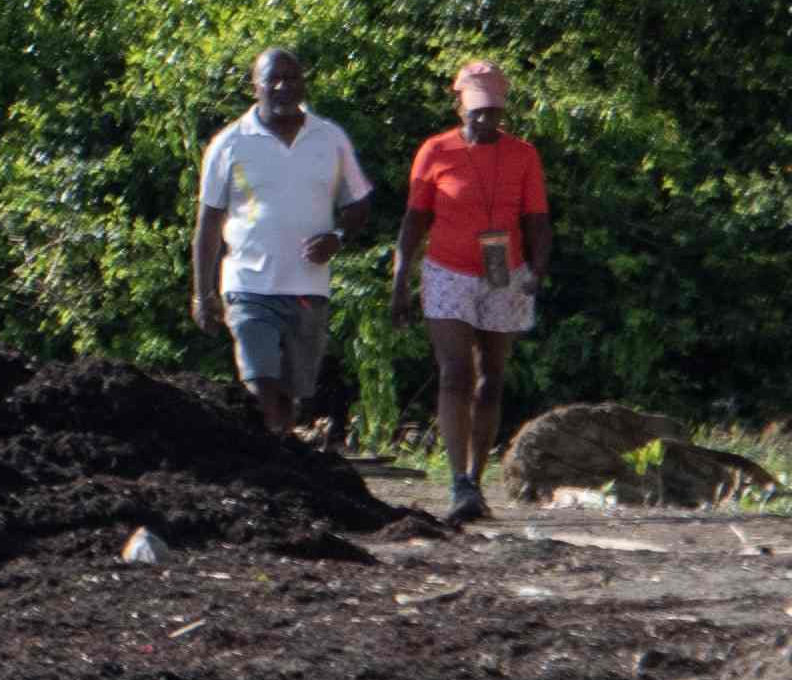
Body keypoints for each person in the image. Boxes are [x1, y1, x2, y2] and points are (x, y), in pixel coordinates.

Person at [187, 47, 371, 441]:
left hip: (308, 286)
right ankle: (271, 449)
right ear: (256, 86)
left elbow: (358, 203)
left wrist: (336, 238)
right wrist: (202, 295)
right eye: (273, 79)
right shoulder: (230, 143)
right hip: (248, 284)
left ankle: (281, 457)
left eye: (292, 78)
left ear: (303, 84)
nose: (283, 86)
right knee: (260, 382)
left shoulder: (330, 138)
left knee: (292, 394)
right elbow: (208, 222)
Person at [400, 54, 553, 521]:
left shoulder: (522, 154)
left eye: (493, 112)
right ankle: (458, 482)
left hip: (500, 269)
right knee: (454, 373)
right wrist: (399, 279)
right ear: (460, 109)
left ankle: (476, 475)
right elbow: (414, 220)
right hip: (447, 269)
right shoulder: (436, 152)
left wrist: (536, 272)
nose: (485, 120)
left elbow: (537, 221)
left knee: (491, 377)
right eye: (476, 111)